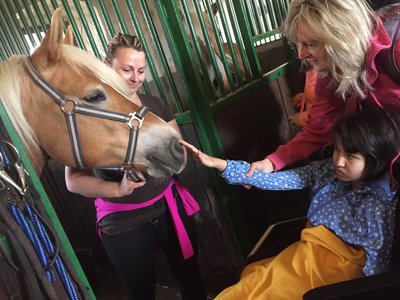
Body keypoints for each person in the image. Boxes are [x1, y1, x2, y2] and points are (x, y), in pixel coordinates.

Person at [181, 108, 400, 299]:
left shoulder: (380, 206)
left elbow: (377, 269)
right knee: (247, 287)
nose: (338, 160)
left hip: (332, 278)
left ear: (374, 158)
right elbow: (277, 180)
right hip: (302, 257)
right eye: (336, 149)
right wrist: (221, 165)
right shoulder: (328, 172)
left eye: (351, 156)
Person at [65, 33, 207, 300]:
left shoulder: (155, 105)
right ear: (106, 65)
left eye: (141, 70)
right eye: (126, 69)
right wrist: (118, 188)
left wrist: (169, 162)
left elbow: (180, 151)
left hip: (168, 205)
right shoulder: (89, 115)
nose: (135, 77)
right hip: (123, 220)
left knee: (190, 275)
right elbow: (72, 181)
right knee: (141, 292)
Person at [247, 0, 400, 176]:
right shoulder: (332, 70)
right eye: (298, 43)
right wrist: (271, 162)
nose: (300, 54)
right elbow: (319, 127)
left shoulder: (396, 48)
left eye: (311, 44)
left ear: (342, 36)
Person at [288, 62, 317, 127]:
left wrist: (303, 119)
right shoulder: (313, 65)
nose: (300, 54)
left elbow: (329, 111)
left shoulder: (328, 68)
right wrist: (306, 97)